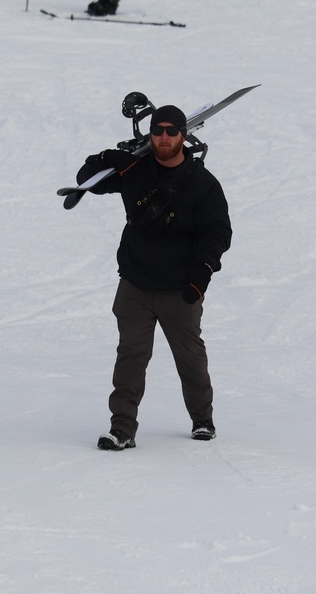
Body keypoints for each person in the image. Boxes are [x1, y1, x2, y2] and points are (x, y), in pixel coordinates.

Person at [76, 104, 232, 451]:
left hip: (181, 287)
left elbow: (218, 232)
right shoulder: (134, 170)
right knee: (131, 355)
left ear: (184, 135)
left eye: (171, 131)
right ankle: (122, 429)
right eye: (157, 130)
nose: (164, 137)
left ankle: (202, 419)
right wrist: (107, 157)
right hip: (135, 282)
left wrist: (201, 272)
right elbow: (85, 179)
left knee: (189, 355)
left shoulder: (202, 184)